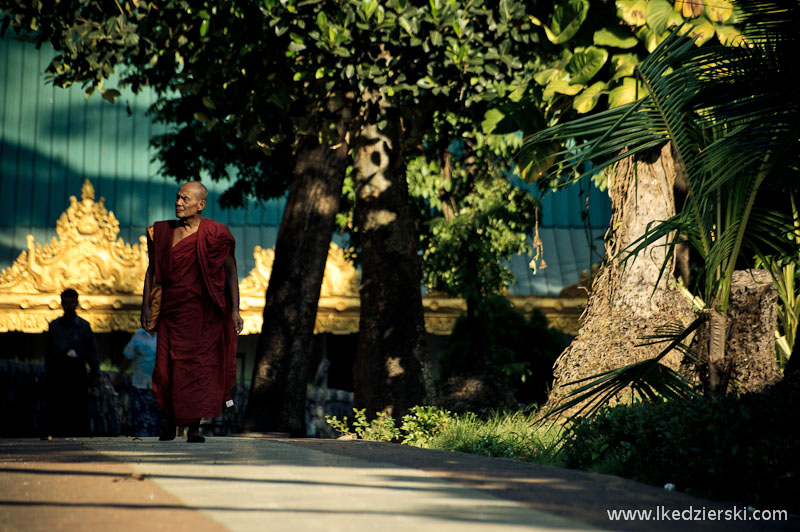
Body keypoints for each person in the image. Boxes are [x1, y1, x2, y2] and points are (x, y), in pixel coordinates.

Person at [141, 181, 242, 443]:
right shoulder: (162, 233)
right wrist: (145, 305)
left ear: (200, 204)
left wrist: (235, 311)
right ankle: (169, 423)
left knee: (199, 371)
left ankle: (194, 428)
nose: (178, 203)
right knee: (165, 370)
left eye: (185, 199)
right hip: (171, 314)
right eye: (177, 198)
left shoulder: (216, 235)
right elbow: (152, 271)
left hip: (204, 317)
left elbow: (231, 272)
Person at [44, 288, 101, 437]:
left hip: (78, 373)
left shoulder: (83, 326)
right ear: (62, 304)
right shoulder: (54, 326)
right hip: (59, 374)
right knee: (59, 410)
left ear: (76, 303)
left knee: (79, 410)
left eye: (71, 302)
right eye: (66, 303)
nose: (68, 306)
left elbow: (92, 351)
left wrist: (95, 372)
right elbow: (49, 353)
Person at [113, 328, 161, 436]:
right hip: (140, 385)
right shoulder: (138, 335)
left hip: (160, 386)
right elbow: (128, 357)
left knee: (159, 418)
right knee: (141, 418)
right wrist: (119, 376)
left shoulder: (165, 334)